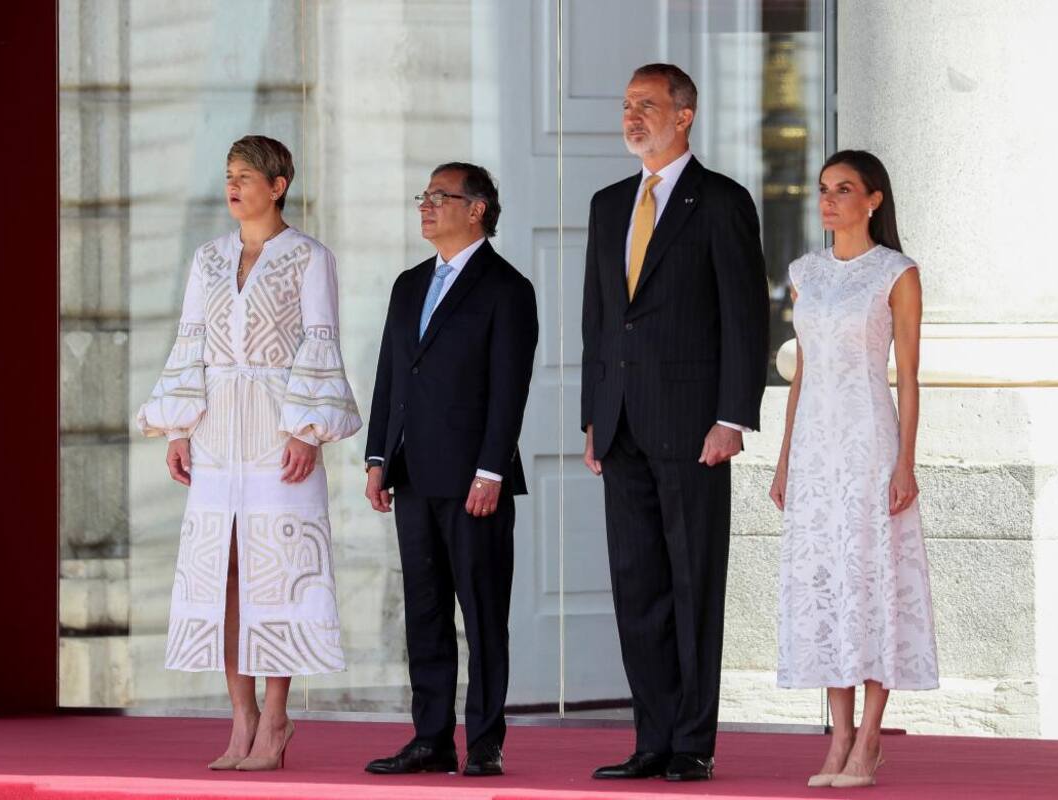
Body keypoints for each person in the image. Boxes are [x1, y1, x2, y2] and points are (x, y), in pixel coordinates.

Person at [136, 135, 362, 771]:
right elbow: (190, 345)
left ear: (278, 183)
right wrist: (178, 428)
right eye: (228, 175)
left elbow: (321, 342)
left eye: (245, 176)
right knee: (223, 575)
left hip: (276, 431)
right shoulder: (207, 260)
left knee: (277, 573)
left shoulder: (310, 258)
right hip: (215, 436)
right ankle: (242, 720)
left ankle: (278, 716)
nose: (233, 186)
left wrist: (306, 430)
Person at [580, 63, 769, 782]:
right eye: (627, 105)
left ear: (684, 116)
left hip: (694, 429)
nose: (632, 117)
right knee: (637, 588)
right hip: (621, 426)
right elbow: (600, 321)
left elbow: (745, 318)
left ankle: (692, 742)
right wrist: (592, 417)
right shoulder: (606, 205)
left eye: (648, 106)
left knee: (693, 586)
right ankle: (651, 739)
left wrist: (731, 415)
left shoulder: (720, 201)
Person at [363, 162, 538, 778]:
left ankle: (484, 742)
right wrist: (378, 457)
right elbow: (391, 375)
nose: (427, 205)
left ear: (478, 209)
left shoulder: (506, 288)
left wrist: (491, 470)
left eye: (442, 197)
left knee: (483, 614)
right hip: (412, 477)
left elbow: (508, 390)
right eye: (424, 196)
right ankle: (431, 737)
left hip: (473, 484)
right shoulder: (409, 285)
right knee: (426, 612)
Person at [769, 150, 938, 789]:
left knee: (871, 578)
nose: (829, 200)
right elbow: (802, 373)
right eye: (823, 189)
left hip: (870, 442)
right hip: (814, 448)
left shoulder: (897, 272)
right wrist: (785, 460)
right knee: (826, 582)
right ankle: (837, 736)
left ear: (873, 200)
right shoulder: (804, 272)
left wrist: (906, 462)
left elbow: (911, 378)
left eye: (844, 189)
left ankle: (869, 738)